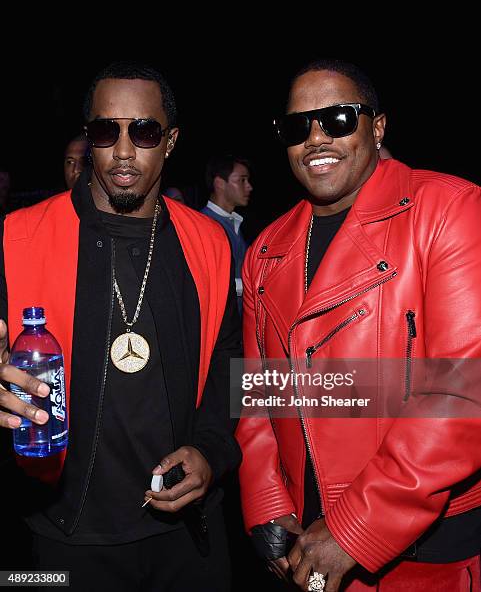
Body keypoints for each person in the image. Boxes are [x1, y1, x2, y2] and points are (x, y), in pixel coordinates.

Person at [236, 59, 481, 591]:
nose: (316, 139)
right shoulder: (266, 251)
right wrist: (265, 504)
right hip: (305, 543)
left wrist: (354, 529)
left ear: (378, 127)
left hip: (422, 552)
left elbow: (462, 396)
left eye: (339, 119)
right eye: (298, 127)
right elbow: (258, 395)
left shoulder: (448, 209)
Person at [0, 61, 241, 592]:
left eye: (146, 131)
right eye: (107, 131)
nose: (125, 150)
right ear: (90, 140)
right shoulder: (16, 239)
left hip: (187, 536)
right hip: (61, 538)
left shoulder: (210, 244)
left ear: (171, 140)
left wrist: (211, 452)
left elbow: (229, 365)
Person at [201, 155, 253, 309]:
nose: (249, 186)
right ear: (219, 184)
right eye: (242, 180)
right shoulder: (204, 224)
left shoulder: (235, 223)